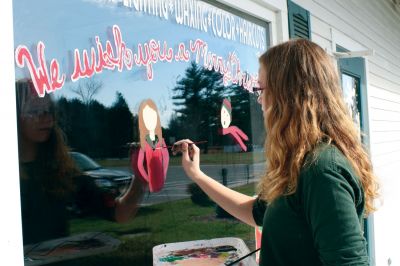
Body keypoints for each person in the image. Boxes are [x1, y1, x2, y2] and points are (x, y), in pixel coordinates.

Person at [173, 39, 379, 265]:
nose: (259, 99)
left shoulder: (321, 170)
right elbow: (256, 212)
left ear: (289, 95)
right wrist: (197, 175)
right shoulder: (299, 160)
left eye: (262, 89)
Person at [16, 79, 146, 246]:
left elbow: (119, 213)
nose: (46, 117)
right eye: (34, 111)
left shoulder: (62, 172)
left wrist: (141, 177)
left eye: (49, 110)